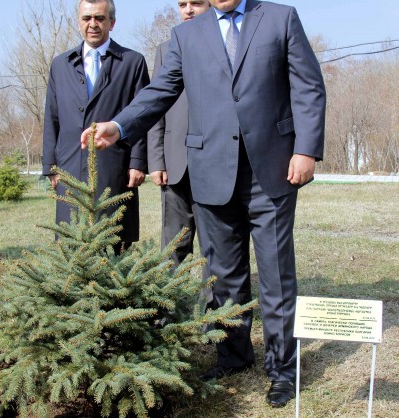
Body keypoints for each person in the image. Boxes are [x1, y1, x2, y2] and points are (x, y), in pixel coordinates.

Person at [81, 0, 326, 408]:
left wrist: (306, 149)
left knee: (277, 275)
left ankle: (282, 368)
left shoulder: (281, 18)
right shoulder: (186, 35)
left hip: (273, 168)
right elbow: (159, 92)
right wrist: (119, 124)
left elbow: (308, 86)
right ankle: (232, 354)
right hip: (211, 170)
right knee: (224, 274)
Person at [43, 0, 149, 253]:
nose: (93, 24)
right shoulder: (61, 64)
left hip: (115, 165)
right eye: (87, 18)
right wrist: (50, 166)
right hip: (70, 165)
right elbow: (52, 117)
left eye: (100, 18)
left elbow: (143, 115)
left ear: (112, 22)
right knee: (72, 240)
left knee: (115, 238)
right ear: (79, 22)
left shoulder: (132, 62)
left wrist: (137, 161)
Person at [148, 0, 211, 267]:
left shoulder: (228, 46)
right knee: (173, 246)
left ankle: (215, 307)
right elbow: (155, 107)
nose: (188, 10)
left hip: (214, 165)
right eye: (182, 4)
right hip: (175, 165)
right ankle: (170, 306)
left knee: (216, 247)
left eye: (196, 3)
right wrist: (157, 160)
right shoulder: (165, 50)